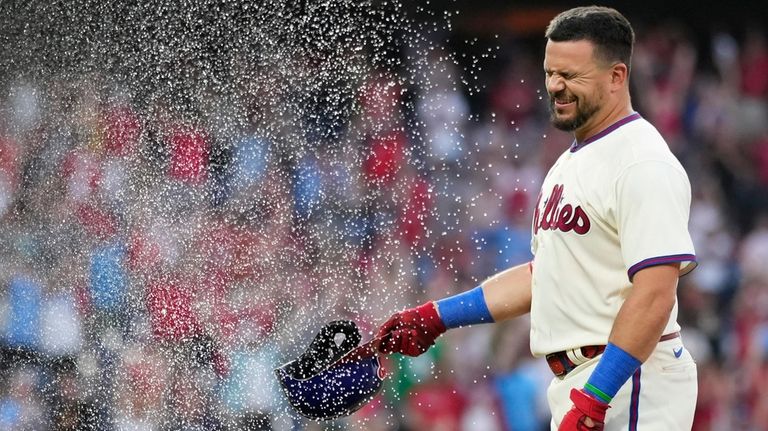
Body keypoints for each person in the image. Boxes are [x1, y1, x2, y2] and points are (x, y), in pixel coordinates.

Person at [376, 6, 698, 430]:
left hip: (630, 381)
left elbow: (655, 293)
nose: (556, 86)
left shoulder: (641, 162)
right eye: (550, 73)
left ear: (617, 77)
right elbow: (545, 275)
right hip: (588, 380)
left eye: (572, 75)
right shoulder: (569, 163)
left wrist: (596, 397)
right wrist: (438, 316)